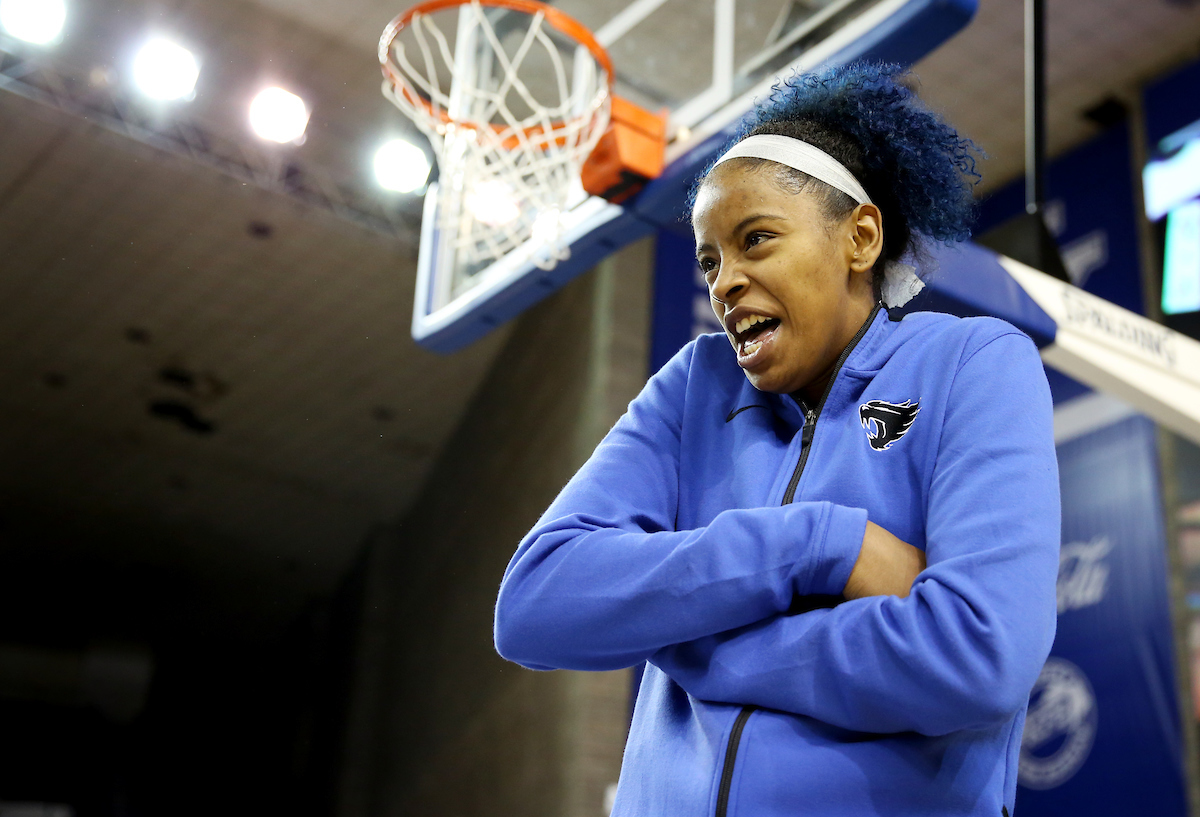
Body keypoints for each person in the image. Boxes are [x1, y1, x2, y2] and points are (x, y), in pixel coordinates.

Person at [493, 62, 1060, 817]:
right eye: (709, 260)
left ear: (860, 237)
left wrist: (695, 644)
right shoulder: (694, 388)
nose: (723, 281)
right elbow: (534, 603)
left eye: (755, 240)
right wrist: (822, 543)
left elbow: (977, 656)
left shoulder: (972, 364)